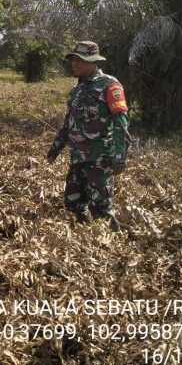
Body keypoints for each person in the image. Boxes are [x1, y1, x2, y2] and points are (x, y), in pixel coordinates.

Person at [47, 41, 130, 227]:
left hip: (99, 159)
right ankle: (83, 241)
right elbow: (69, 123)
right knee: (73, 203)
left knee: (101, 209)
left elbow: (120, 123)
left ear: (93, 62)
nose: (74, 64)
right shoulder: (76, 91)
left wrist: (119, 156)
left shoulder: (109, 85)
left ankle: (110, 245)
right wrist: (55, 148)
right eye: (73, 60)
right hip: (78, 158)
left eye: (80, 60)